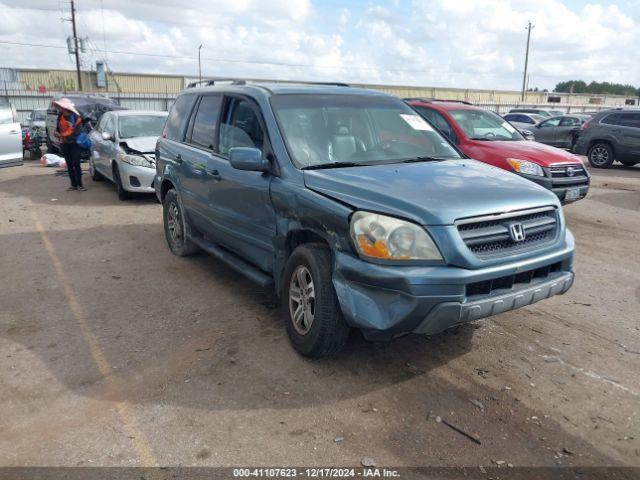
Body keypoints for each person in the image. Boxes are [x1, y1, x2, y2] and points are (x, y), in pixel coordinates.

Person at [54, 98, 85, 191]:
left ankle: (80, 184)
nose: (59, 108)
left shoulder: (76, 117)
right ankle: (73, 185)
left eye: (60, 106)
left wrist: (63, 135)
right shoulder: (60, 116)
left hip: (74, 144)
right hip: (64, 144)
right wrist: (58, 135)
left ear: (65, 107)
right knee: (69, 164)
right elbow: (58, 129)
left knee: (76, 164)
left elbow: (77, 132)